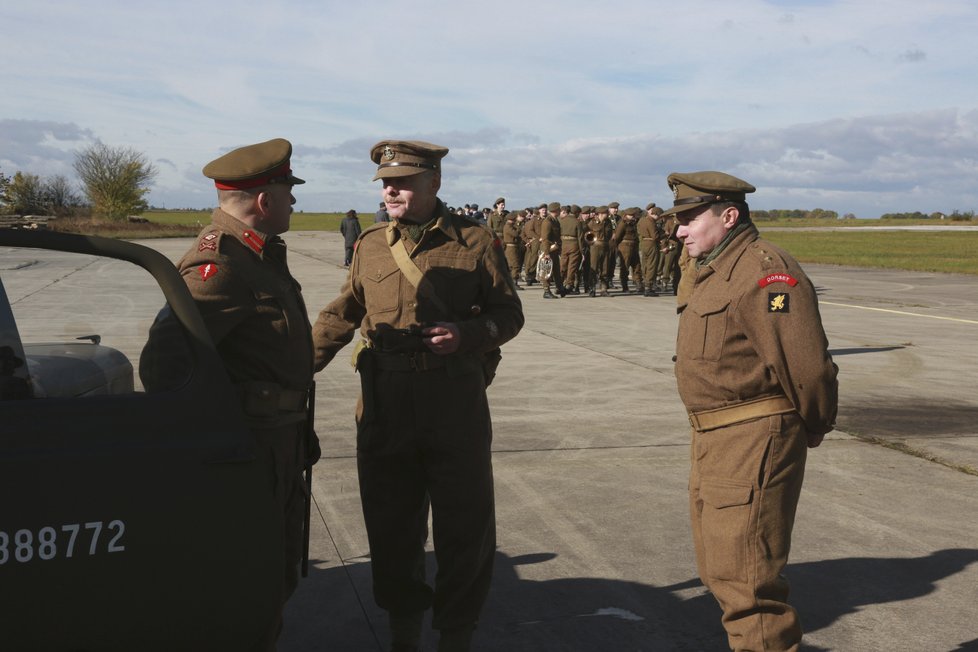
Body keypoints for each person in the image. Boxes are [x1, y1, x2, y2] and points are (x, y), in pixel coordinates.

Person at [311, 140, 524, 652]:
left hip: (453, 403)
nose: (391, 189)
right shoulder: (369, 244)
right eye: (386, 182)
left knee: (464, 528)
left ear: (434, 183)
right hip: (384, 402)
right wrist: (295, 368)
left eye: (403, 181)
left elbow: (509, 314)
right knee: (392, 528)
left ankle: (455, 635)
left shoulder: (474, 242)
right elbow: (343, 312)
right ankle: (403, 633)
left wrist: (467, 336)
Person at [139, 138, 316, 651]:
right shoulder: (219, 266)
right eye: (288, 192)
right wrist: (222, 429)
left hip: (276, 443)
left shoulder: (256, 254)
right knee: (249, 584)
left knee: (274, 577)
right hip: (249, 451)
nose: (293, 202)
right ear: (264, 201)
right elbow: (164, 363)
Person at [664, 171, 838, 651]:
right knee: (722, 569)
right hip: (716, 438)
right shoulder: (715, 267)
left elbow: (805, 364)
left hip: (752, 439)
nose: (680, 230)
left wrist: (817, 421)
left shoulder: (767, 274)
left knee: (748, 585)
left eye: (689, 218)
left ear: (729, 215)